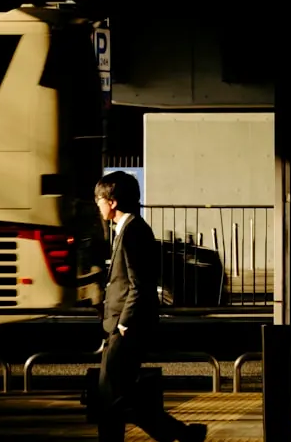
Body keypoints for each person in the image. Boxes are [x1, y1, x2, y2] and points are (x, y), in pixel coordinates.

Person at [94, 170, 207, 442]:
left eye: (99, 198)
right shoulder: (129, 229)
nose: (97, 204)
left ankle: (182, 434)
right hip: (123, 326)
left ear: (112, 201)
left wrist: (123, 324)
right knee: (124, 396)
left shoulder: (133, 232)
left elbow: (138, 284)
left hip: (127, 328)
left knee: (110, 397)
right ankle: (184, 434)